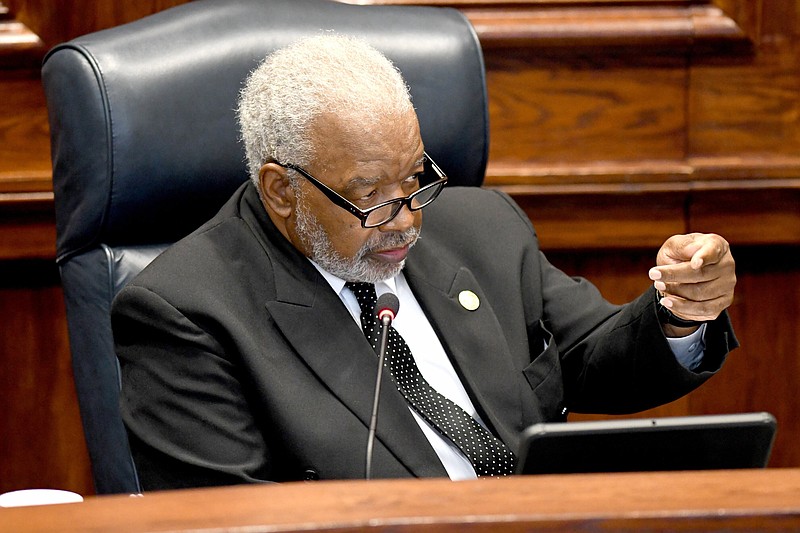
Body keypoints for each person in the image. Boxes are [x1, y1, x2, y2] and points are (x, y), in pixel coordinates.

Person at [112, 34, 737, 489]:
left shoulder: (483, 229)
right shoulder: (187, 311)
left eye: (414, 178)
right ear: (280, 190)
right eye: (370, 197)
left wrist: (679, 313)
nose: (408, 219)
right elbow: (225, 520)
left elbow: (598, 357)